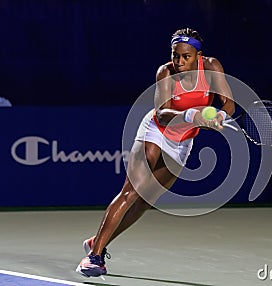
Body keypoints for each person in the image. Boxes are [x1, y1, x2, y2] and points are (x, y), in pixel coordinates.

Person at [76, 28, 235, 277]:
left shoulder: (212, 67)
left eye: (186, 57)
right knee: (131, 191)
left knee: (145, 202)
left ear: (199, 56)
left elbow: (228, 103)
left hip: (183, 142)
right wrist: (193, 115)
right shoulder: (166, 72)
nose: (180, 62)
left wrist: (220, 115)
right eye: (176, 55)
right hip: (157, 132)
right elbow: (162, 113)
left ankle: (97, 241)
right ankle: (94, 257)